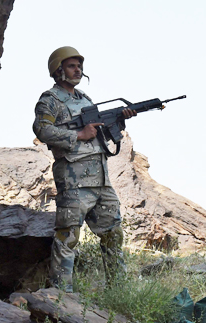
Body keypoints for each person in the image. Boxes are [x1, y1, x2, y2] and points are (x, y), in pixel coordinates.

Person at [33, 46, 133, 292]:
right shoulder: (50, 100)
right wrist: (78, 134)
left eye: (79, 66)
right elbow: (42, 130)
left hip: (101, 180)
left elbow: (98, 131)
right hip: (74, 180)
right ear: (58, 70)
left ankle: (118, 292)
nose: (78, 70)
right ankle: (61, 297)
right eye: (71, 66)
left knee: (113, 234)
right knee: (68, 238)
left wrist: (120, 118)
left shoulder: (85, 99)